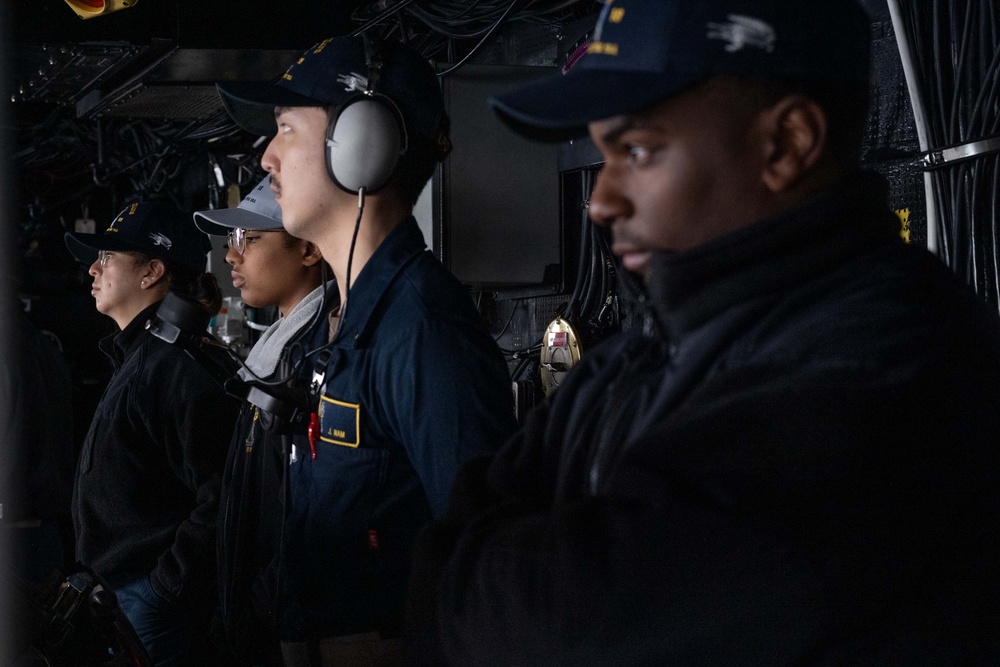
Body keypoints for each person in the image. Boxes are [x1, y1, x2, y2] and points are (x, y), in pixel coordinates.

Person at [404, 0, 1000, 664]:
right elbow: (441, 560)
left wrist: (485, 580)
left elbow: (578, 631)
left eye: (637, 150)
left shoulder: (891, 361)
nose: (600, 200)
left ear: (787, 143)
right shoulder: (635, 359)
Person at [215, 36, 519, 664]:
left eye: (285, 129)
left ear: (361, 145)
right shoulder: (342, 324)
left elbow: (491, 565)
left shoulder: (423, 331)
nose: (267, 157)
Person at [64, 201, 242, 666]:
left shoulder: (172, 366)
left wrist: (165, 589)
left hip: (152, 605)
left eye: (108, 258)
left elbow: (223, 494)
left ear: (152, 272)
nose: (93, 270)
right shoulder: (143, 357)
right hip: (126, 600)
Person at [193, 174, 328, 665]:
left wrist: (265, 601)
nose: (231, 256)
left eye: (247, 239)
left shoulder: (316, 356)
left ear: (309, 249)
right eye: (231, 241)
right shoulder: (279, 350)